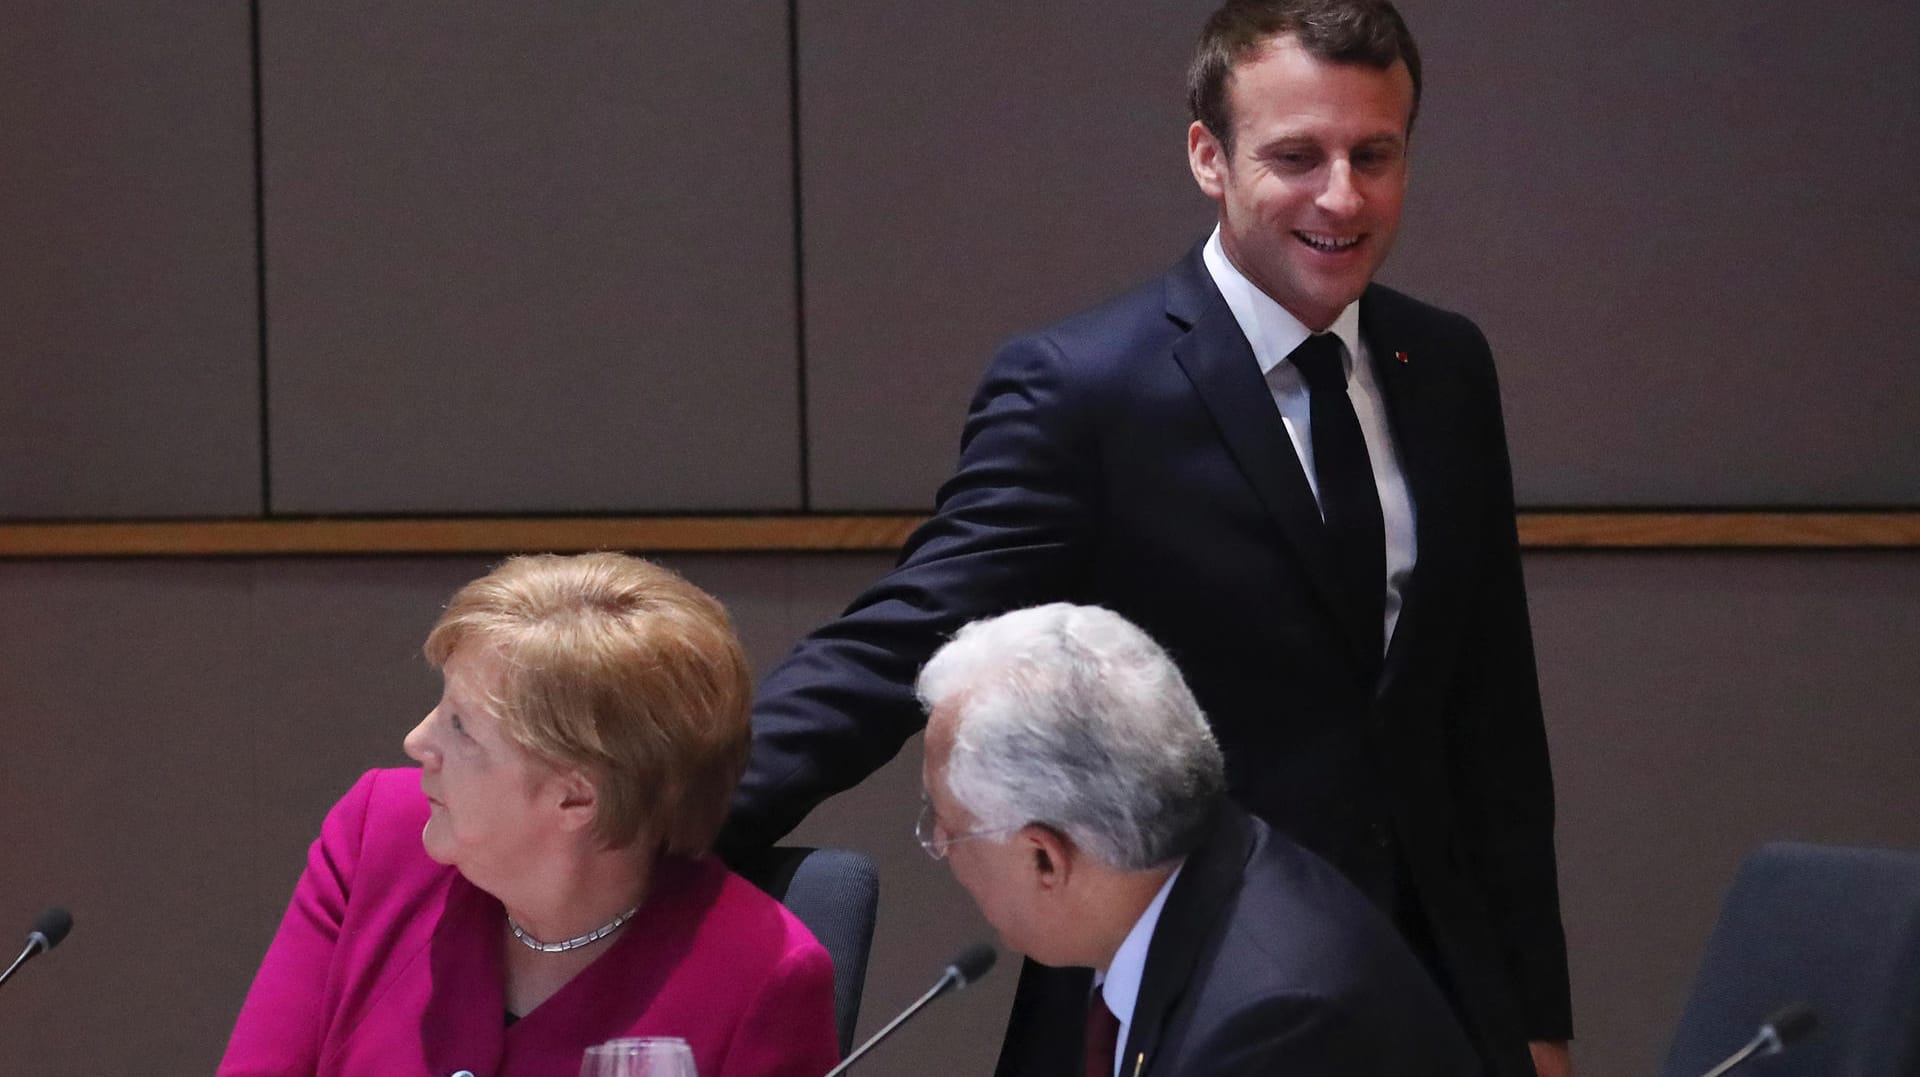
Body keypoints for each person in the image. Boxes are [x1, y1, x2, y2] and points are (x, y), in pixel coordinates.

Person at [723, 1, 1571, 1074]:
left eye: (1376, 154)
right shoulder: (1087, 387)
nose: (1343, 196)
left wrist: (1536, 1018)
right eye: (1297, 156)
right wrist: (667, 823)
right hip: (1183, 989)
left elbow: (1491, 722)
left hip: (1429, 995)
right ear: (1208, 157)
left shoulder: (1445, 366)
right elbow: (902, 641)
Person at [220, 553, 839, 1077]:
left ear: (576, 797)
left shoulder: (762, 977)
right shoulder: (379, 835)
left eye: (462, 728)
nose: (417, 741)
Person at [916, 602, 1482, 1076]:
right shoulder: (1190, 892)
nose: (939, 845)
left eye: (949, 825)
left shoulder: (1272, 1029)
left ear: (1045, 858)